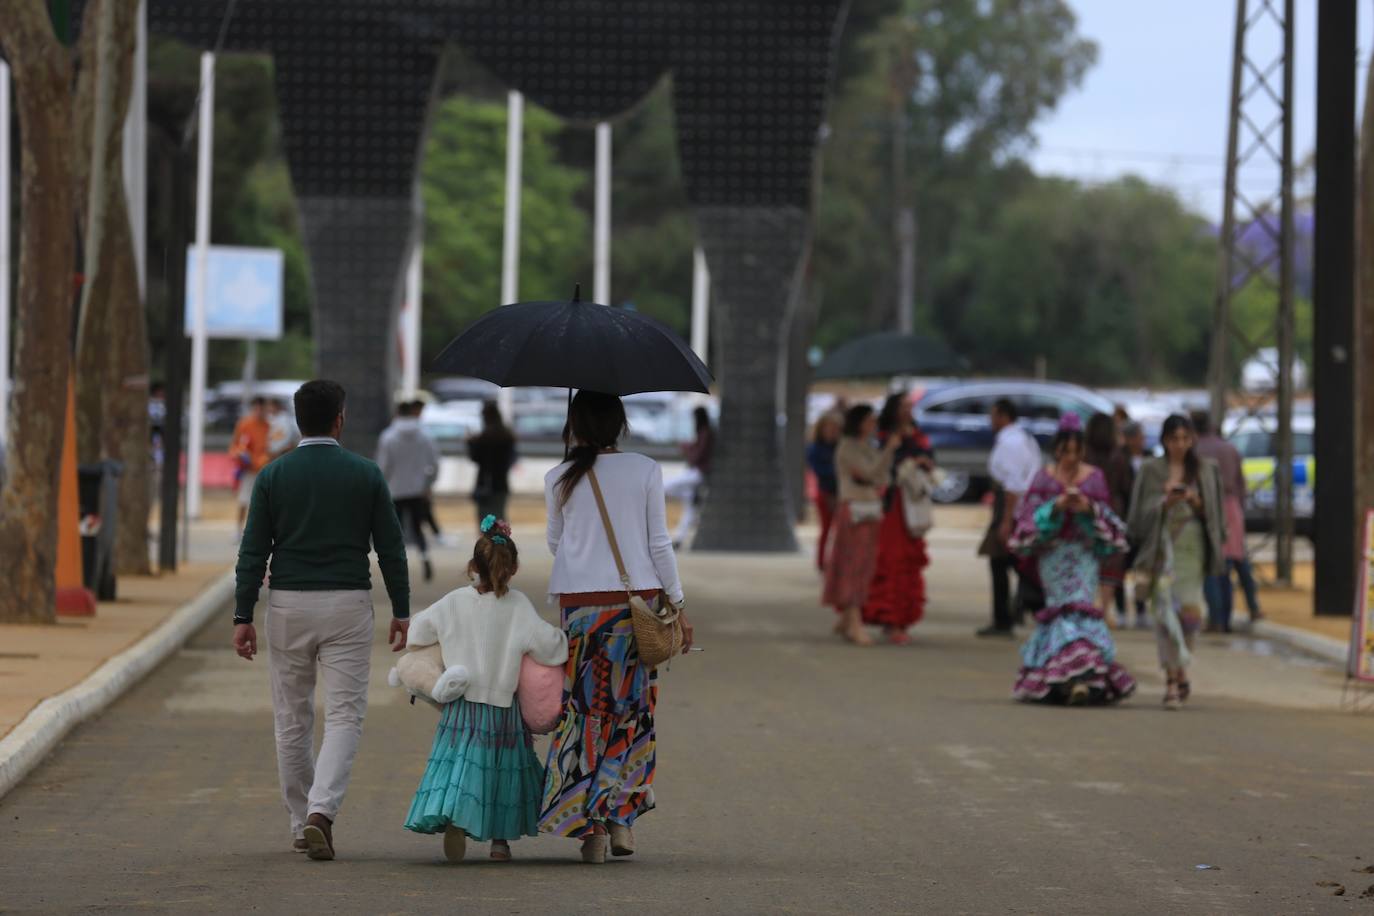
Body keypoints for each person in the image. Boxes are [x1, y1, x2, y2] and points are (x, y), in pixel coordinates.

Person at [232, 380, 412, 860]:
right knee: (345, 714)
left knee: (292, 717)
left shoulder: (273, 476)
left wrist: (242, 613)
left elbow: (253, 551)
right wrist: (402, 609)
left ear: (297, 420)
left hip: (288, 604)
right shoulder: (366, 474)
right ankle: (321, 812)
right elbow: (391, 549)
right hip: (348, 605)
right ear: (340, 418)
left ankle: (299, 821)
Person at [538, 390, 694, 864]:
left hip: (581, 609)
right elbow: (659, 543)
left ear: (575, 425)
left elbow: (554, 543)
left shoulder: (558, 476)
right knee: (631, 711)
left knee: (587, 711)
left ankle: (590, 830)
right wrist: (680, 604)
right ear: (620, 424)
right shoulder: (646, 469)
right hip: (635, 608)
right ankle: (621, 816)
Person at [402, 519, 569, 863]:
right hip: (502, 706)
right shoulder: (519, 606)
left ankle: (457, 818)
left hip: (462, 703)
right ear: (514, 569)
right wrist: (565, 635)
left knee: (459, 764)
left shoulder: (452, 603)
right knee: (500, 772)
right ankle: (499, 844)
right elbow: (551, 648)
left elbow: (417, 632)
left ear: (471, 567)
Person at [1008, 415, 1135, 705]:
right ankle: (1070, 679)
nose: (1072, 458)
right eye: (1066, 452)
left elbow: (1108, 517)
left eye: (1077, 452)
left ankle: (1079, 678)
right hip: (1053, 556)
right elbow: (1028, 519)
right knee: (1061, 611)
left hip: (1083, 555)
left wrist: (1087, 508)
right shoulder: (1043, 477)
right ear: (1058, 450)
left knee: (1079, 610)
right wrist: (1056, 507)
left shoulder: (1094, 477)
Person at [1128, 414, 1227, 710]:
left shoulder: (1207, 471)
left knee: (1191, 615)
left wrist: (1197, 503)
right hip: (1160, 550)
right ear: (1164, 441)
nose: (1180, 445)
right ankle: (1172, 679)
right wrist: (1164, 504)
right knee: (1163, 615)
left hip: (1193, 551)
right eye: (1174, 439)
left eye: (1186, 439)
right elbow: (1136, 518)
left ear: (1193, 439)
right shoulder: (1150, 470)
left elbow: (1217, 518)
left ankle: (1182, 667)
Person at [823, 403, 902, 646]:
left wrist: (884, 457)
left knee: (864, 565)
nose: (873, 424)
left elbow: (882, 476)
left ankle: (848, 618)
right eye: (869, 420)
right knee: (852, 564)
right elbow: (869, 474)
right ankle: (853, 617)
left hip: (869, 509)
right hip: (855, 510)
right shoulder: (848, 448)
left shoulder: (866, 446)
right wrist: (888, 451)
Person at [862, 393, 934, 645]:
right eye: (903, 406)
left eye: (909, 406)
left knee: (908, 563)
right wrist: (895, 448)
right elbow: (878, 468)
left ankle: (901, 618)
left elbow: (931, 457)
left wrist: (924, 461)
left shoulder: (917, 432)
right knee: (893, 560)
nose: (907, 410)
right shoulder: (883, 436)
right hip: (893, 507)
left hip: (912, 506)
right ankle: (891, 620)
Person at [1190, 410, 1262, 631]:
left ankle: (1216, 619)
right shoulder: (1229, 449)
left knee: (1212, 566)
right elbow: (1242, 485)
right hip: (1232, 509)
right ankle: (1233, 615)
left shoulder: (1194, 452)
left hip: (1207, 509)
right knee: (1234, 563)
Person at [977, 398, 1042, 637]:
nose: (990, 421)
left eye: (993, 415)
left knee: (1009, 561)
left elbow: (1013, 484)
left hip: (1012, 507)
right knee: (1009, 561)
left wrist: (1006, 520)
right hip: (1019, 507)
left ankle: (1015, 612)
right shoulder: (1021, 439)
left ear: (1003, 416)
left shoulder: (1011, 443)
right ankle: (1013, 611)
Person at [378, 401, 442, 583]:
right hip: (418, 490)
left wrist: (383, 486)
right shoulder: (425, 435)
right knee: (417, 528)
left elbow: (384, 466)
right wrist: (428, 484)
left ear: (397, 413)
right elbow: (435, 463)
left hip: (395, 490)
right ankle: (424, 557)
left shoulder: (388, 436)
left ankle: (399, 565)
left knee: (396, 531)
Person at [1106, 420, 1149, 628]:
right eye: (1140, 437)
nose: (1143, 441)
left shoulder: (1148, 459)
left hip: (1143, 521)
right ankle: (1122, 610)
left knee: (1142, 568)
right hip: (1123, 520)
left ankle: (1141, 609)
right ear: (1130, 439)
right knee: (1120, 568)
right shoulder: (1118, 459)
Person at [1084, 412, 1120, 615]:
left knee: (1089, 559)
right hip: (1113, 513)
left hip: (1087, 513)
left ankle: (1087, 605)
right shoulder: (1118, 457)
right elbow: (1126, 486)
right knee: (1110, 563)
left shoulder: (1083, 456)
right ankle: (1104, 609)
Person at [665, 405, 715, 549]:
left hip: (698, 473)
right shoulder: (705, 433)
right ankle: (680, 538)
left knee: (663, 486)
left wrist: (686, 448)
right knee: (689, 507)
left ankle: (678, 537)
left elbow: (697, 456)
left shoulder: (705, 433)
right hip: (698, 474)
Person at [467, 400, 517, 531]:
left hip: (485, 483)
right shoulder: (507, 435)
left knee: (485, 521)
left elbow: (475, 458)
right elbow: (512, 458)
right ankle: (501, 547)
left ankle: (487, 548)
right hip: (501, 483)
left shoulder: (484, 437)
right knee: (499, 518)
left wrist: (471, 443)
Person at [230, 397, 272, 540]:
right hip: (249, 469)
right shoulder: (245, 425)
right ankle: (238, 530)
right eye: (257, 408)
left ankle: (263, 531)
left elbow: (272, 447)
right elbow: (236, 446)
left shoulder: (269, 425)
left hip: (265, 469)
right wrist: (240, 455)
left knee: (266, 503)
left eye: (262, 408)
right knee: (243, 500)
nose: (260, 411)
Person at [806, 411, 842, 571]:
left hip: (841, 494)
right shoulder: (815, 449)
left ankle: (837, 562)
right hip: (826, 493)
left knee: (841, 531)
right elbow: (822, 471)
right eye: (829, 428)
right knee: (826, 529)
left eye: (835, 429)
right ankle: (822, 562)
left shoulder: (841, 447)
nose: (833, 432)